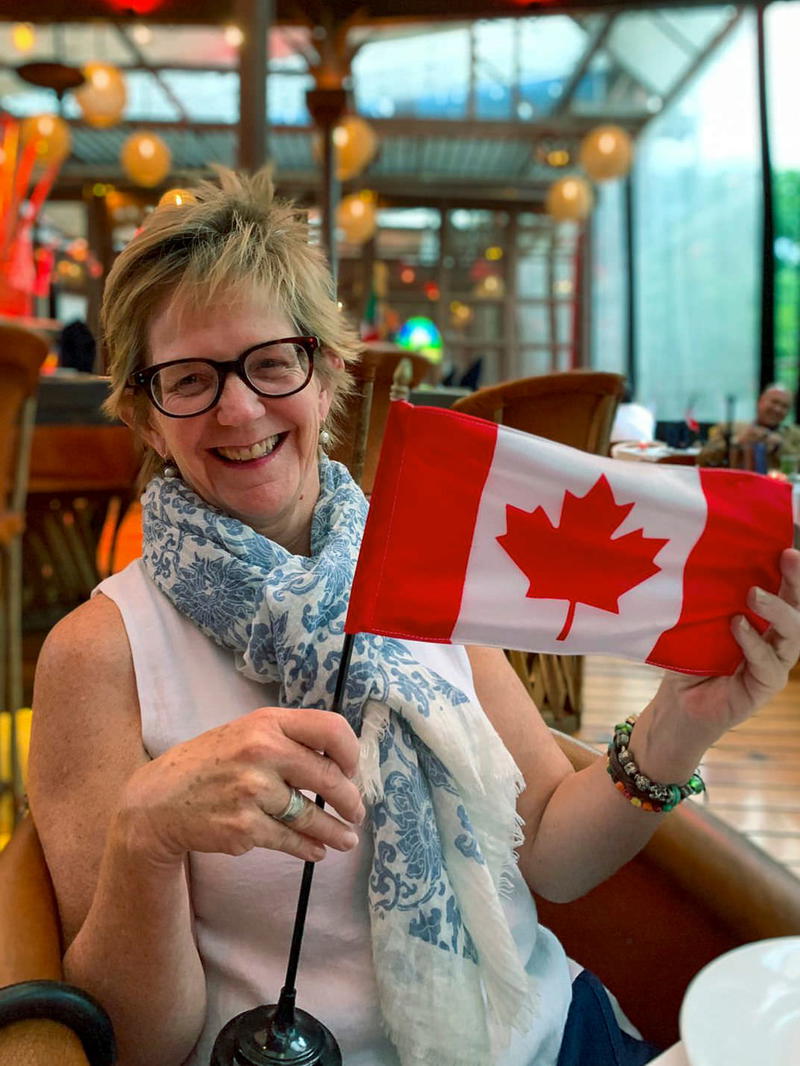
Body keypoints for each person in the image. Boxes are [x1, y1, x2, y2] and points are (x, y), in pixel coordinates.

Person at [28, 170, 800, 1066]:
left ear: (325, 378)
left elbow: (551, 849)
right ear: (147, 417)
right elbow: (140, 1042)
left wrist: (683, 721)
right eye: (189, 379)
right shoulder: (99, 652)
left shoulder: (421, 568)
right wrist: (147, 837)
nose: (238, 408)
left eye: (271, 362)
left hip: (553, 1036)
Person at [698, 383, 800, 471]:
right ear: (759, 402)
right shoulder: (728, 428)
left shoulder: (795, 435)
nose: (777, 409)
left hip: (776, 490)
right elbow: (703, 460)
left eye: (784, 406)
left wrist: (780, 446)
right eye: (774, 402)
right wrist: (737, 442)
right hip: (735, 487)